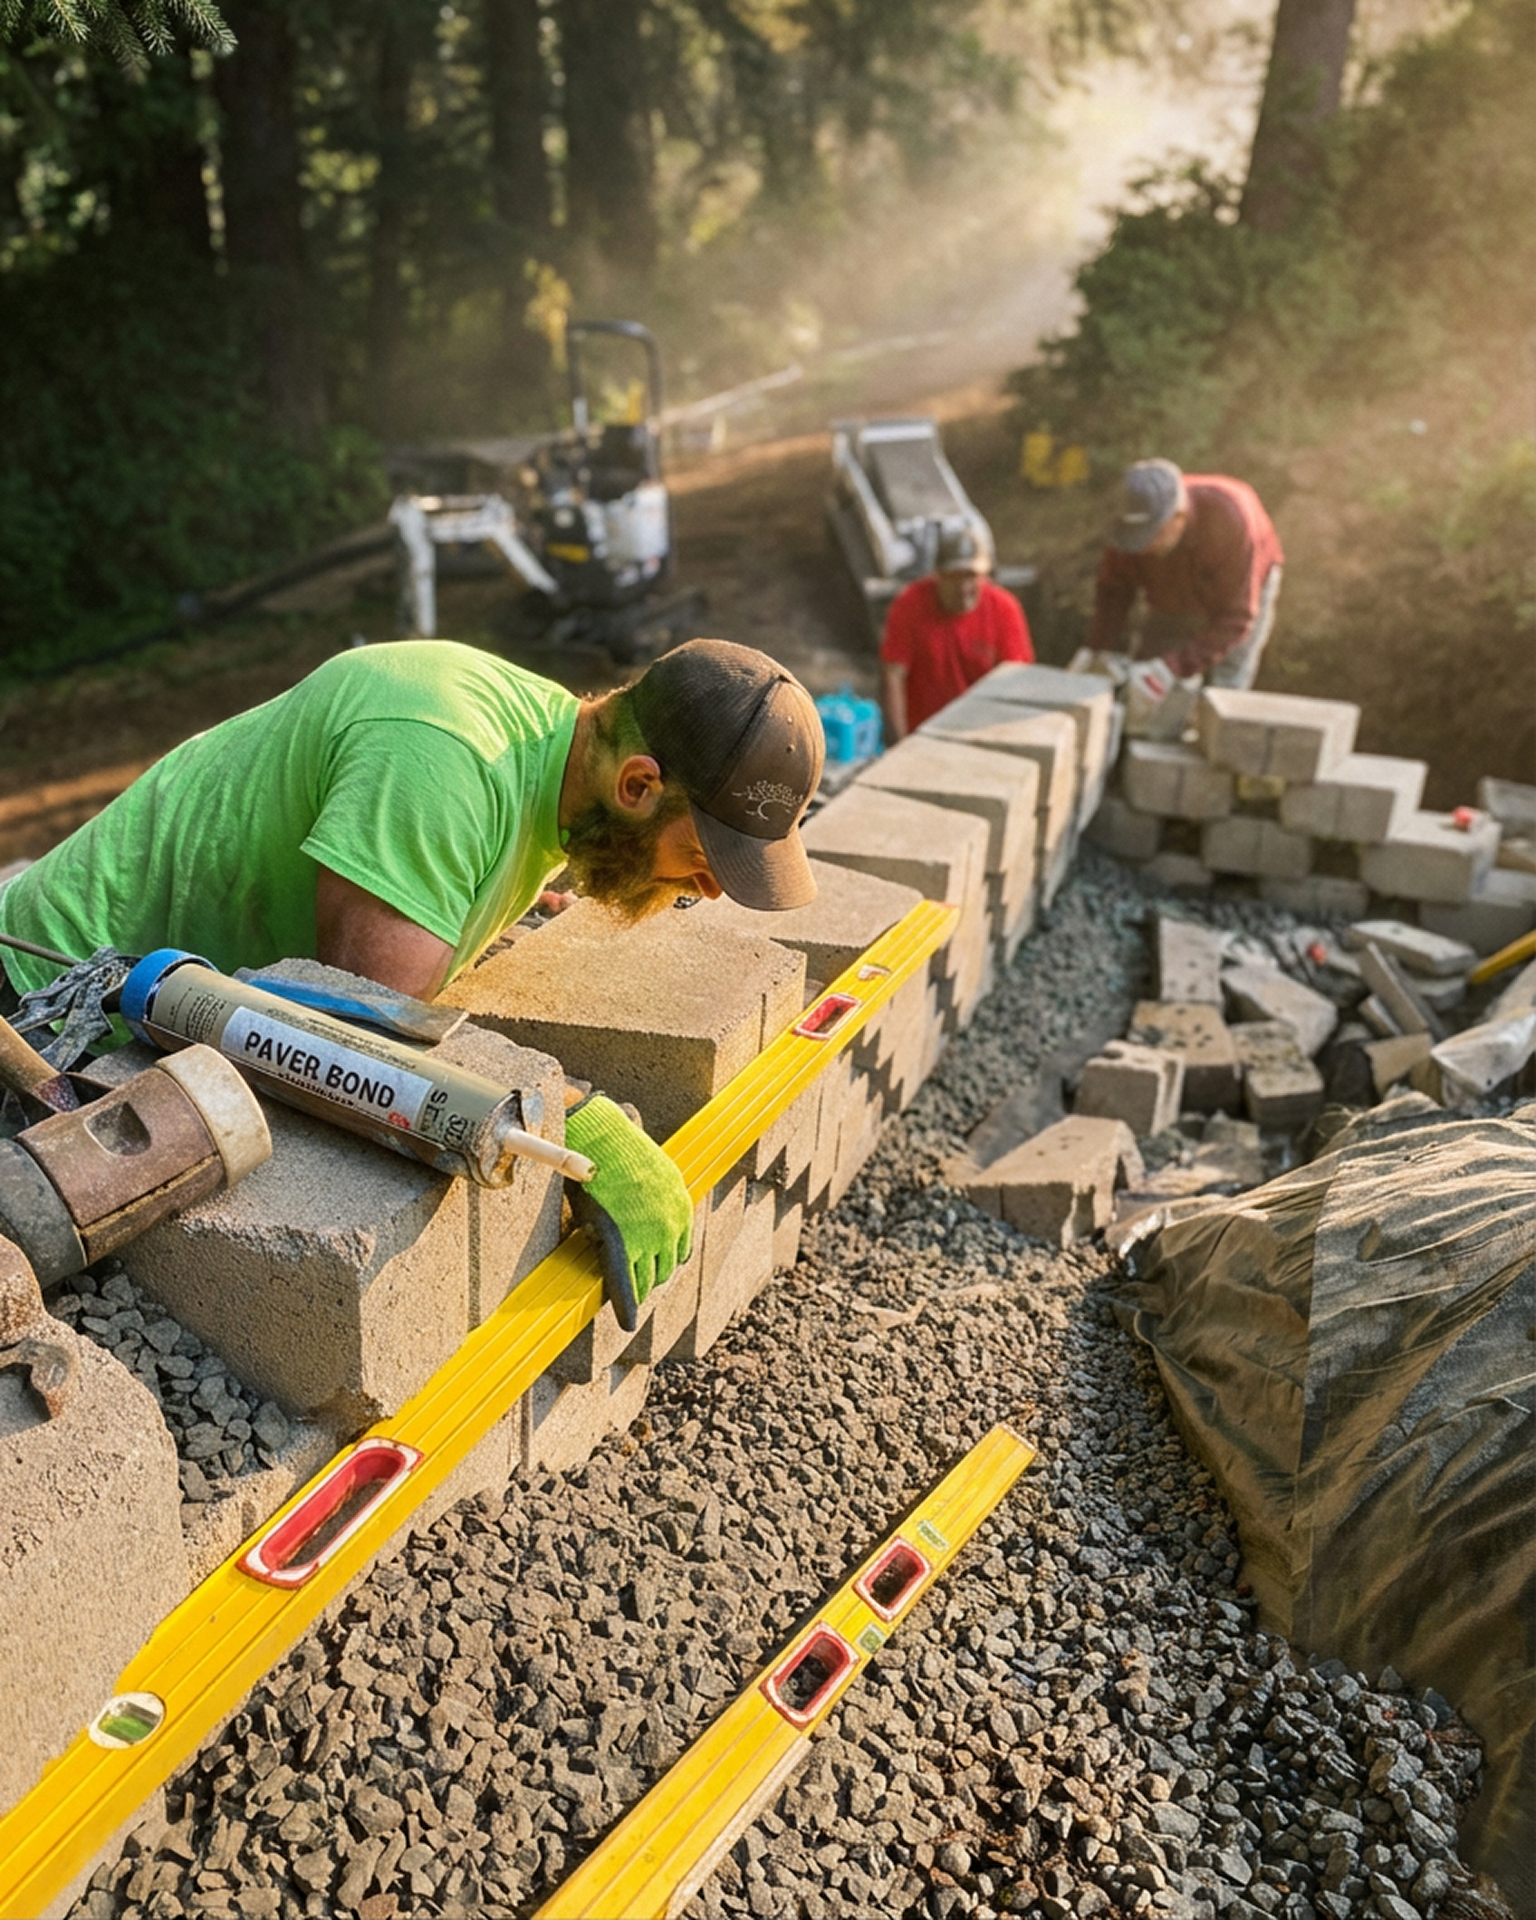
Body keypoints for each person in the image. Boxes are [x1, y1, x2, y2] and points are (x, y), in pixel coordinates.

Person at [0, 636, 824, 1324]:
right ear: (637, 785)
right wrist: (566, 1115)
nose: (710, 891)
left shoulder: (550, 753)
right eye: (707, 861)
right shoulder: (441, 766)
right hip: (50, 1031)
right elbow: (354, 1049)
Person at [1085, 458, 1284, 697]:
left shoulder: (1229, 521)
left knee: (1228, 676)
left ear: (1178, 518)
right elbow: (1114, 591)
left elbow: (1237, 617)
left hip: (1239, 585)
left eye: (1150, 537)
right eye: (1135, 539)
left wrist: (1174, 668)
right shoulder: (1127, 528)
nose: (1143, 547)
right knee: (1147, 673)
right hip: (1171, 590)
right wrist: (1096, 651)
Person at [879, 524, 1034, 742]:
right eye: (955, 577)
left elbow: (1017, 683)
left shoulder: (1004, 609)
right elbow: (893, 678)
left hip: (981, 736)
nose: (963, 587)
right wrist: (899, 744)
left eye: (970, 576)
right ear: (938, 575)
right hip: (923, 737)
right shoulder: (909, 605)